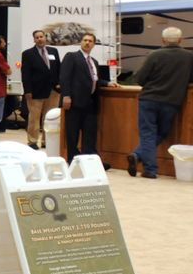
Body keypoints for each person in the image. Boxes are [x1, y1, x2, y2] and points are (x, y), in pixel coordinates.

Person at [127, 27, 193, 178]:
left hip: (149, 99)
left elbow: (139, 79)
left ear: (163, 40)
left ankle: (149, 168)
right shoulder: (189, 57)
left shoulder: (154, 55)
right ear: (180, 40)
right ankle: (137, 155)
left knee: (148, 134)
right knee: (161, 133)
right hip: (172, 101)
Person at [59, 32, 113, 163]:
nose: (87, 42)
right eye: (85, 40)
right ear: (80, 42)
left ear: (94, 44)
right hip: (74, 102)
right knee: (73, 133)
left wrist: (107, 83)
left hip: (91, 103)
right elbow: (64, 77)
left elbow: (94, 80)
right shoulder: (71, 57)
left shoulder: (93, 61)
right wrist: (66, 95)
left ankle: (88, 161)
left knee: (90, 133)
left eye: (90, 41)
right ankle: (72, 160)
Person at [20, 29, 61, 150]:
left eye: (41, 36)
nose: (39, 39)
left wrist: (59, 84)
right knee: (34, 118)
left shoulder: (54, 51)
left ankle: (46, 141)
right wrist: (27, 91)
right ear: (34, 40)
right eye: (37, 37)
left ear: (45, 38)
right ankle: (32, 141)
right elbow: (25, 74)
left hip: (53, 91)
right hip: (35, 91)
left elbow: (58, 68)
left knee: (50, 118)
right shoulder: (27, 54)